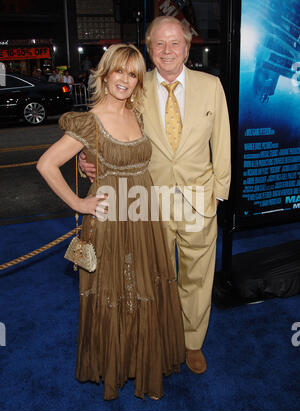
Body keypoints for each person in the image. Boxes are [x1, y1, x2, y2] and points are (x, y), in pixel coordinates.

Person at [79, 16, 231, 375]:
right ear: (149, 49)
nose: (167, 51)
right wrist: (89, 160)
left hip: (199, 199)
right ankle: (162, 340)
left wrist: (219, 195)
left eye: (175, 43)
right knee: (154, 278)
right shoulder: (135, 86)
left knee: (196, 276)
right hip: (147, 202)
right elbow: (105, 125)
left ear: (187, 47)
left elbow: (222, 142)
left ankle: (193, 342)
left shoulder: (211, 86)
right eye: (159, 44)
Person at [37, 43, 185, 401]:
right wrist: (80, 203)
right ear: (105, 74)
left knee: (144, 288)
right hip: (109, 221)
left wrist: (94, 167)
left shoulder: (138, 114)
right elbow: (46, 164)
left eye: (133, 74)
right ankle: (116, 366)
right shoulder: (89, 121)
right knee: (114, 293)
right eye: (119, 71)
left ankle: (140, 360)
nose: (125, 80)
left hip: (142, 215)